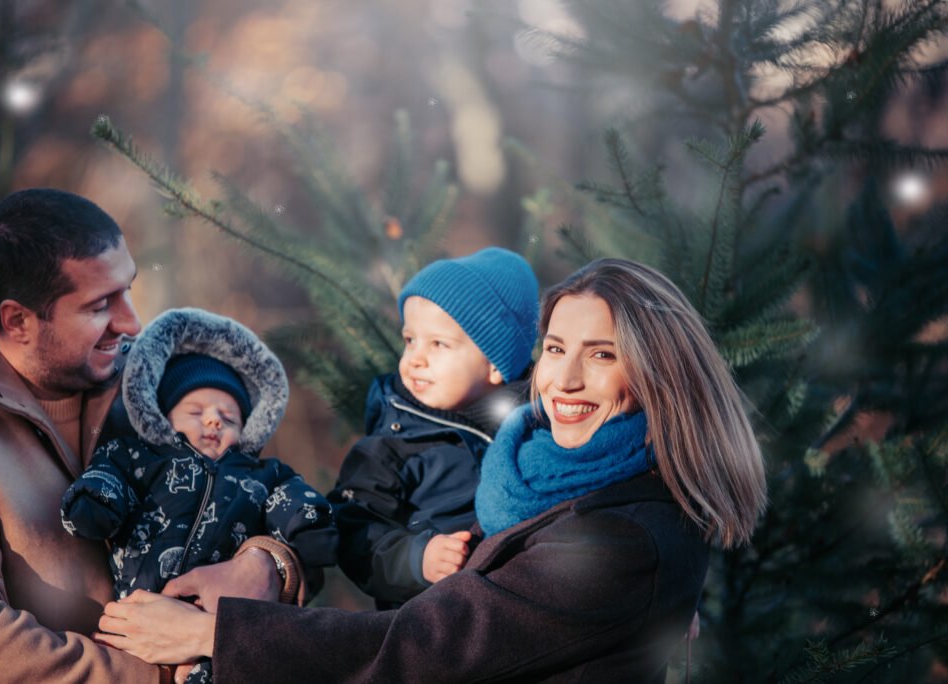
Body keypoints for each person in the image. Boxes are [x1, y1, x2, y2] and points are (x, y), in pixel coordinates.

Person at [95, 257, 768, 683]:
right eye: (557, 347)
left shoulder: (624, 535)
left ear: (656, 373)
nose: (562, 379)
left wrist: (216, 633)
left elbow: (430, 645)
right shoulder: (544, 465)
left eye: (600, 355)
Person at [0, 189, 290, 683]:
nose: (132, 322)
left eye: (128, 290)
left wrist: (268, 564)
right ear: (18, 321)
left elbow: (269, 492)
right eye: (100, 306)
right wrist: (157, 673)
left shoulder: (155, 379)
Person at [63, 307, 339, 683]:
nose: (213, 420)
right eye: (196, 411)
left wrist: (308, 527)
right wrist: (98, 501)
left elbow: (292, 499)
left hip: (213, 617)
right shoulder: (141, 458)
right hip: (137, 614)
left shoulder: (262, 474)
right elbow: (110, 476)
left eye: (228, 417)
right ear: (164, 415)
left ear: (247, 429)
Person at [328, 247, 539, 607]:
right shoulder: (393, 443)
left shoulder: (537, 427)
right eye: (410, 340)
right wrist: (416, 559)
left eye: (438, 344)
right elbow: (352, 530)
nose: (415, 359)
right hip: (423, 630)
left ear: (494, 363)